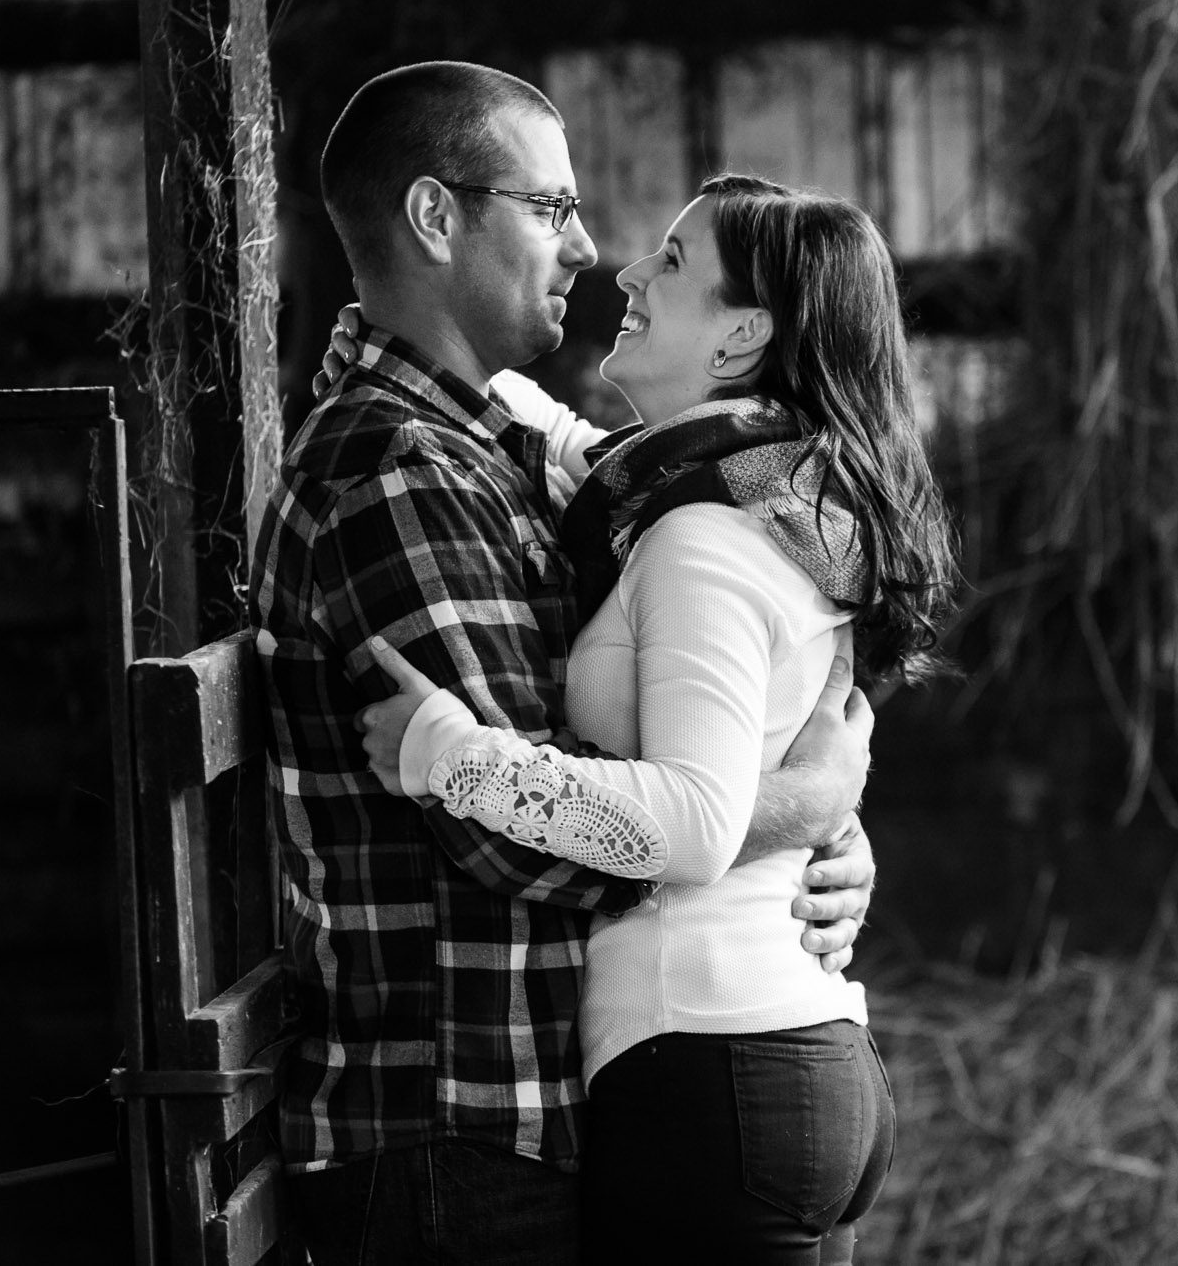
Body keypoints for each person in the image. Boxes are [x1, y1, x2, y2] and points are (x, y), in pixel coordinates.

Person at [253, 63, 878, 1266]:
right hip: (454, 1131)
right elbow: (511, 837)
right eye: (550, 207)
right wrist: (802, 805)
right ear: (436, 216)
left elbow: (749, 653)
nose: (591, 251)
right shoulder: (401, 474)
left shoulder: (513, 453)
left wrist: (819, 818)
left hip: (536, 1111)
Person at [352, 174, 959, 1263]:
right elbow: (553, 435)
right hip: (776, 1057)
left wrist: (449, 754)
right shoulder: (746, 490)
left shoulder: (701, 538)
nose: (629, 269)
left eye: (672, 261)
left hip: (714, 1067)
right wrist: (381, 337)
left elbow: (695, 824)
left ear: (741, 336)